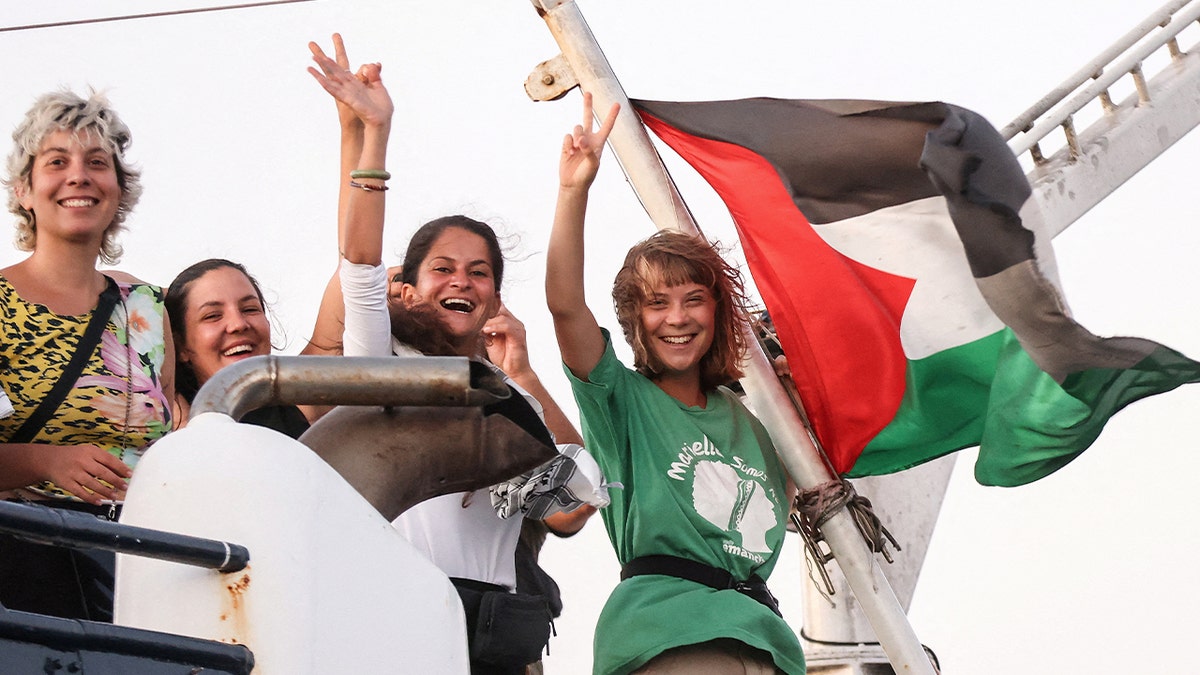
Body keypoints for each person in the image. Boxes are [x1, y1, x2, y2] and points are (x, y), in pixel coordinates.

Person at [306, 36, 604, 674]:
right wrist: (373, 133)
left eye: (478, 272)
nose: (461, 282)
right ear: (409, 286)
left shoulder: (507, 399)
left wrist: (522, 376)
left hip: (492, 639)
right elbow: (357, 262)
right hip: (392, 626)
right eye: (442, 269)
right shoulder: (384, 365)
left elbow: (574, 506)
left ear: (496, 293)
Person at [545, 92, 806, 674]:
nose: (679, 318)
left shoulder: (755, 423)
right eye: (657, 304)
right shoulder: (620, 400)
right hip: (669, 637)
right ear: (634, 319)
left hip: (766, 644)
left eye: (694, 299)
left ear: (718, 312)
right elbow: (564, 308)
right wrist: (573, 191)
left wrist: (798, 397)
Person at [0, 89, 174, 621]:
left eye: (97, 163)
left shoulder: (146, 309)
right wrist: (45, 459)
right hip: (24, 574)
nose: (79, 176)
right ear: (25, 190)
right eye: (57, 162)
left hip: (146, 567)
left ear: (119, 192)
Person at [165, 258, 313, 438]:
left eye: (250, 309)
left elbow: (354, 271)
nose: (238, 324)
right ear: (180, 347)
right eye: (212, 316)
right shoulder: (163, 433)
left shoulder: (305, 400)